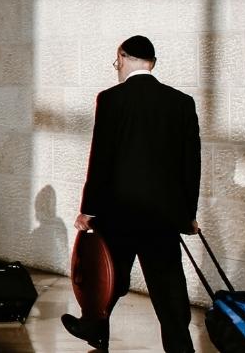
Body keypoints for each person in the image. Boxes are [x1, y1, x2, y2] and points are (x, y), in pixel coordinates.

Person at [62, 36, 200, 353]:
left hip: (119, 213)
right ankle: (181, 347)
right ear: (151, 62)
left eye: (117, 62)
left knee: (108, 281)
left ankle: (95, 329)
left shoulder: (111, 99)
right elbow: (191, 164)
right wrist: (187, 215)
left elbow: (101, 159)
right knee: (168, 289)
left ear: (123, 57)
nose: (117, 68)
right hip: (161, 217)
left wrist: (89, 210)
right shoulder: (180, 102)